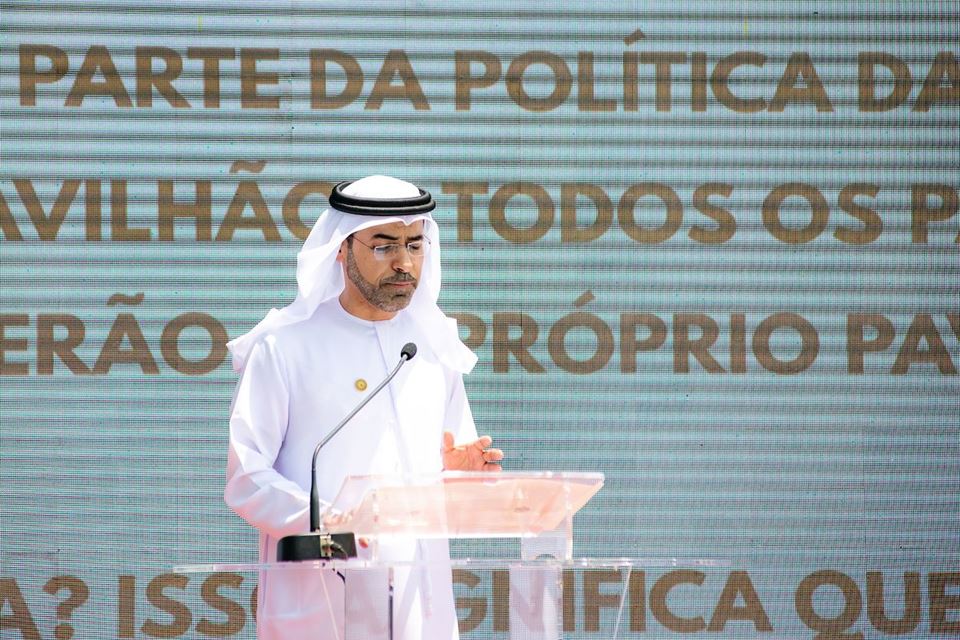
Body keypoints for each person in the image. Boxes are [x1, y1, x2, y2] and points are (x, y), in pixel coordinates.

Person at [223, 175, 503, 639]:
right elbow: (246, 478)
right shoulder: (285, 346)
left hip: (420, 604)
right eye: (383, 246)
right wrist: (325, 519)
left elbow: (450, 473)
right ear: (340, 247)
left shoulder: (431, 349)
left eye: (415, 246)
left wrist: (456, 473)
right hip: (321, 596)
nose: (403, 262)